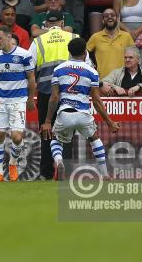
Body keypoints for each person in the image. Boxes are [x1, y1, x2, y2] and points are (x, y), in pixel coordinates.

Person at [41, 37, 120, 180]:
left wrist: (47, 121)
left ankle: (59, 161)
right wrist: (109, 122)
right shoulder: (92, 72)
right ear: (85, 53)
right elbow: (96, 100)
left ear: (69, 52)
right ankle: (105, 174)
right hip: (83, 113)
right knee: (95, 138)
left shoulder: (58, 70)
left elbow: (53, 97)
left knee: (56, 139)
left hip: (65, 112)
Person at [29, 10, 80, 180]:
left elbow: (29, 67)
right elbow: (87, 65)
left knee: (46, 131)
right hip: (70, 93)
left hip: (46, 92)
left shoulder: (38, 41)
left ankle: (46, 173)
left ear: (46, 25)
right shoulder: (74, 38)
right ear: (62, 23)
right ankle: (66, 167)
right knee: (68, 132)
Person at [0, 25, 36, 182]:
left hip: (18, 100)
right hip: (1, 100)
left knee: (16, 137)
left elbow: (31, 78)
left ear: (9, 37)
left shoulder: (24, 55)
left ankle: (13, 163)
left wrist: (30, 99)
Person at [87, 8, 135, 78]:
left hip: (123, 80)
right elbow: (84, 53)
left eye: (112, 15)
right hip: (103, 81)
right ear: (103, 21)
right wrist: (92, 68)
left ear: (117, 19)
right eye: (106, 16)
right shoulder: (95, 37)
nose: (109, 17)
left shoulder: (126, 36)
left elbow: (135, 56)